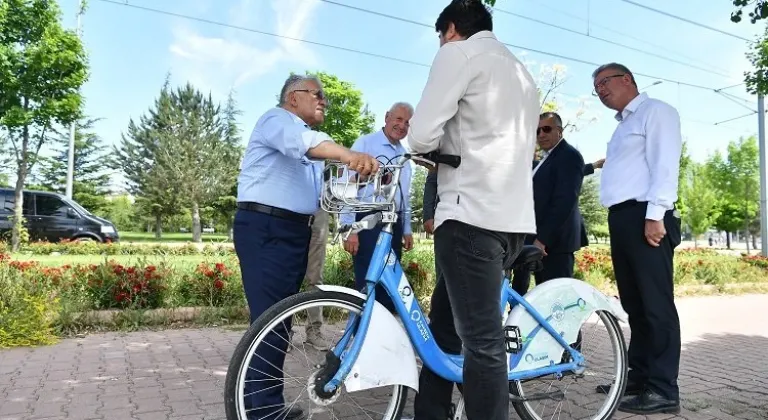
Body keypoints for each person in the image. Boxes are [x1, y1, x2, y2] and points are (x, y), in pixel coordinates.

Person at [407, 1, 539, 419]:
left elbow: (420, 133)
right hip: (510, 220)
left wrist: (428, 148)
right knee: (445, 326)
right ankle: (431, 412)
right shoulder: (522, 73)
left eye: (440, 36)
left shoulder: (458, 54)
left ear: (450, 29)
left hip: (469, 215)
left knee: (482, 343)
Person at [234, 73, 379, 420]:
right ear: (293, 97)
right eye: (317, 94)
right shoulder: (277, 120)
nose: (323, 101)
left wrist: (352, 173)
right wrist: (347, 154)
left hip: (292, 232)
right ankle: (260, 412)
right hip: (267, 228)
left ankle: (265, 405)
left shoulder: (309, 146)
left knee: (278, 323)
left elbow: (324, 190)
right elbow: (309, 144)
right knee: (269, 322)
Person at [591, 62, 683, 415]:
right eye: (595, 87)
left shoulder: (655, 112)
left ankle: (663, 389)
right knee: (636, 305)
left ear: (627, 79)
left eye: (604, 82)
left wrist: (656, 214)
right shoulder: (622, 126)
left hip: (647, 215)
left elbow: (664, 164)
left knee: (656, 306)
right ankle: (638, 377)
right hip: (623, 219)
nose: (600, 90)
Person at [341, 102, 415, 312]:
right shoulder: (365, 144)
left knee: (390, 280)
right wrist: (349, 228)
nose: (402, 126)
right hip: (366, 221)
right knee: (367, 280)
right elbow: (347, 186)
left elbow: (405, 196)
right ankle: (362, 335)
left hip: (394, 223)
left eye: (407, 122)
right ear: (386, 117)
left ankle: (384, 335)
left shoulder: (405, 157)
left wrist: (407, 229)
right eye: (398, 119)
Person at [510, 111, 587, 297]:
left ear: (559, 131)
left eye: (546, 129)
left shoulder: (569, 156)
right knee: (543, 301)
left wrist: (542, 239)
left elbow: (564, 202)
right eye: (537, 131)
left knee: (557, 302)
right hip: (538, 242)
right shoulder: (546, 159)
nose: (541, 134)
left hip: (554, 244)